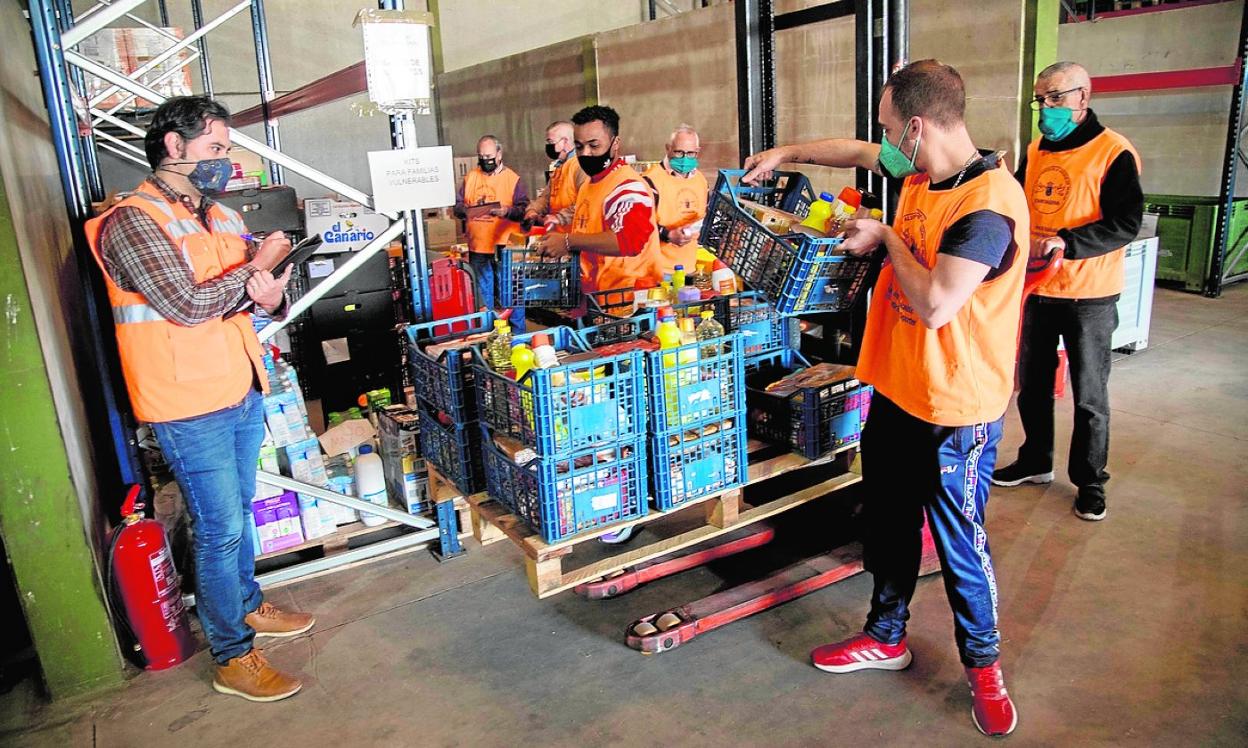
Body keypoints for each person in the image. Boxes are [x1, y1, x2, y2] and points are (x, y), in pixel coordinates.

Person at [743, 60, 1028, 737]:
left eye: (890, 127)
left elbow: (935, 305)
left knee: (961, 546)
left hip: (955, 410)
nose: (884, 141)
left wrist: (888, 236)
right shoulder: (927, 172)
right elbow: (860, 152)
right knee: (890, 524)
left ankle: (984, 670)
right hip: (897, 390)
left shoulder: (987, 206)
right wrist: (786, 153)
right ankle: (886, 636)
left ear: (920, 124)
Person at [85, 96, 314, 702]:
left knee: (238, 516)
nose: (225, 160)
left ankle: (245, 604)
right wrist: (254, 270)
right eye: (215, 148)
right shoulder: (132, 222)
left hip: (237, 384)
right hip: (185, 400)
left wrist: (273, 294)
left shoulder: (219, 215)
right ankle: (232, 656)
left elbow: (249, 299)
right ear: (173, 147)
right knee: (218, 530)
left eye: (226, 149)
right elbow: (186, 305)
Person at [992, 62, 1143, 523]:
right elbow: (1018, 199)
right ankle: (1036, 460)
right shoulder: (1038, 148)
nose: (1046, 109)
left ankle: (1091, 481)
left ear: (1083, 97)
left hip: (1090, 295)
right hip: (1038, 287)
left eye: (1055, 98)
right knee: (1033, 384)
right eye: (1040, 100)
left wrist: (1068, 243)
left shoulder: (1113, 152)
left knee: (1089, 395)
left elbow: (1125, 224)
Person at [535, 105, 662, 545]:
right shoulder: (593, 182)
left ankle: (631, 502)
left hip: (630, 309)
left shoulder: (630, 187)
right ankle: (610, 490)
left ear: (615, 145)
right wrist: (560, 222)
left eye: (595, 145)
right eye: (582, 145)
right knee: (607, 403)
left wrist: (568, 240)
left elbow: (628, 239)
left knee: (629, 405)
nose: (587, 153)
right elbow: (583, 214)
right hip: (598, 306)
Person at [453, 135, 530, 330]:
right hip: (478, 246)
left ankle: (518, 334)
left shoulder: (512, 179)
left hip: (506, 245)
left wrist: (506, 211)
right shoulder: (471, 177)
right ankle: (488, 333)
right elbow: (457, 206)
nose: (485, 160)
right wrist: (467, 210)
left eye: (489, 156)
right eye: (481, 156)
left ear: (499, 154)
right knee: (482, 292)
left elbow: (523, 210)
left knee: (511, 290)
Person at [642, 124, 710, 276]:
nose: (685, 158)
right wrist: (668, 234)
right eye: (679, 152)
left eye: (691, 153)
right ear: (668, 148)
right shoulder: (649, 180)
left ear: (698, 152)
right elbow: (637, 224)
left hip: (689, 268)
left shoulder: (701, 180)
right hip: (657, 271)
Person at [523, 120, 586, 233]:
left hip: (577, 238)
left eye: (551, 142)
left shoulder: (582, 167)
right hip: (558, 237)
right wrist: (532, 210)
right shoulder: (558, 168)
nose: (548, 147)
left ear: (565, 141)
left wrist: (559, 218)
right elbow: (545, 197)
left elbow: (586, 204)